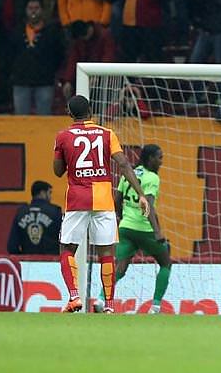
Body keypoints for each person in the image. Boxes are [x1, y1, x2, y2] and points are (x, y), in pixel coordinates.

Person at [53, 95, 149, 313]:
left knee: (67, 248)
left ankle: (74, 297)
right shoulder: (107, 133)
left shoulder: (63, 136)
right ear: (90, 111)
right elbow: (123, 163)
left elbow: (58, 171)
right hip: (104, 199)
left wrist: (66, 155)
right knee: (106, 252)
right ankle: (109, 305)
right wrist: (141, 194)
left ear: (69, 113)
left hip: (77, 199)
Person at [97, 144, 171, 314]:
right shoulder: (152, 177)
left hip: (126, 227)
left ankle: (101, 299)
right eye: (159, 157)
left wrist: (122, 219)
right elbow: (148, 204)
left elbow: (117, 200)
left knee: (120, 267)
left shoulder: (128, 174)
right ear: (150, 158)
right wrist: (157, 231)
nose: (161, 161)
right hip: (144, 229)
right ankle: (155, 307)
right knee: (165, 263)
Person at [10, 0, 63, 115]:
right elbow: (10, 55)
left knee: (44, 119)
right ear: (25, 10)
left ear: (42, 10)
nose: (33, 11)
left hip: (44, 82)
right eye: (30, 8)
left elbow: (58, 54)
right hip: (21, 82)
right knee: (21, 120)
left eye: (36, 8)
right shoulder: (17, 31)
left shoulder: (52, 32)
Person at [7, 180, 62, 255]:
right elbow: (64, 239)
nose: (50, 197)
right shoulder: (55, 211)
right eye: (49, 193)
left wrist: (24, 257)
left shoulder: (21, 212)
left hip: (27, 259)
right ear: (42, 193)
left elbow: (12, 247)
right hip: (51, 259)